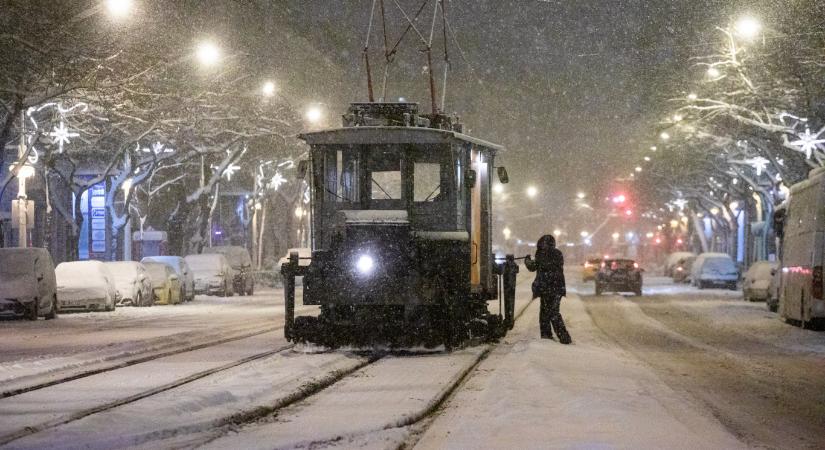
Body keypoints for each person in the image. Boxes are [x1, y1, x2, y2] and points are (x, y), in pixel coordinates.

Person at [524, 235, 571, 343]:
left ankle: (548, 336)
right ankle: (562, 336)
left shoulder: (541, 254)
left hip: (546, 289)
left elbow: (533, 266)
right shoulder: (558, 253)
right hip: (557, 288)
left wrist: (527, 260)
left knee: (546, 313)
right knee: (554, 312)